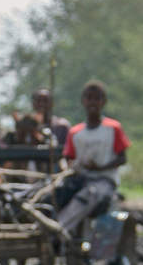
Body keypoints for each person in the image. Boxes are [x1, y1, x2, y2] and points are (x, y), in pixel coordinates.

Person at [56, 80, 130, 237]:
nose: (93, 102)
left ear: (104, 102)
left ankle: (59, 229)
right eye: (89, 98)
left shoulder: (113, 128)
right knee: (55, 192)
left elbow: (122, 158)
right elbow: (68, 158)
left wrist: (100, 168)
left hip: (104, 181)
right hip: (79, 178)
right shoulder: (75, 132)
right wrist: (71, 168)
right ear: (84, 101)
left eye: (97, 98)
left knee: (90, 194)